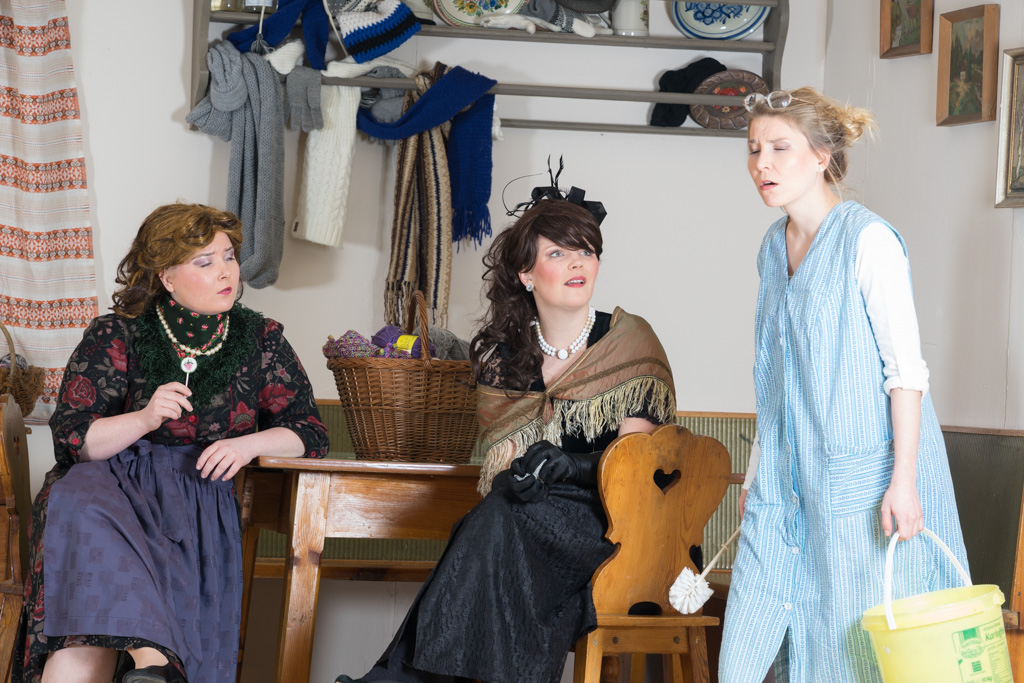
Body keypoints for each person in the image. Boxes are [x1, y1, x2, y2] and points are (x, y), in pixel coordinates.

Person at [337, 188, 677, 683]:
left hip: (611, 528)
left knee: (492, 523)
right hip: (527, 523)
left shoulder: (629, 340)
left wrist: (572, 466)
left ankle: (395, 677)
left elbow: (637, 465)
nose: (576, 262)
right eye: (557, 253)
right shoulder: (504, 358)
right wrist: (518, 478)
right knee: (498, 513)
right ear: (525, 274)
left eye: (585, 250)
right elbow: (504, 463)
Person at [14, 203, 331, 683]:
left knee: (83, 638)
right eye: (205, 262)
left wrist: (248, 445)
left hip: (193, 496)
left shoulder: (261, 340)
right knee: (78, 502)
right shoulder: (117, 332)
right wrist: (144, 418)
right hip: (110, 492)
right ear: (166, 276)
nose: (226, 272)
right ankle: (153, 661)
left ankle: (154, 664)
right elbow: (75, 440)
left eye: (228, 257)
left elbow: (309, 432)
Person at [719, 88, 969, 682]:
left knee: (851, 663)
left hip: (866, 492)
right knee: (740, 666)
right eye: (754, 149)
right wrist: (756, 476)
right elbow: (776, 378)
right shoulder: (771, 248)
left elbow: (906, 373)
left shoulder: (869, 241)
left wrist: (904, 482)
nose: (761, 164)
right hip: (784, 489)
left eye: (780, 148)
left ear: (822, 156)